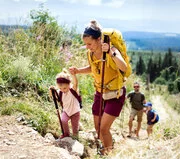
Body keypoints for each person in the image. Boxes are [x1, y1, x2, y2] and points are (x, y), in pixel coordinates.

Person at [69, 20, 127, 155]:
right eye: (85, 44)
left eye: (89, 43)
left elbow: (123, 67)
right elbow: (93, 68)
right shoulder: (91, 53)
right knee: (98, 127)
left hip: (115, 94)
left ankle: (108, 153)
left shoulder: (111, 50)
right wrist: (78, 70)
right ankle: (104, 151)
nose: (87, 47)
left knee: (104, 129)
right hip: (100, 93)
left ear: (99, 39)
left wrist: (111, 53)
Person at [49, 69, 81, 139]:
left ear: (69, 84)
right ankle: (66, 134)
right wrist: (51, 91)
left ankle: (76, 135)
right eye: (60, 88)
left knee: (75, 129)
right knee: (63, 120)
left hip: (75, 112)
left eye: (65, 88)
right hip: (66, 111)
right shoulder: (60, 92)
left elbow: (76, 83)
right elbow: (52, 96)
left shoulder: (72, 90)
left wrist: (74, 75)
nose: (63, 90)